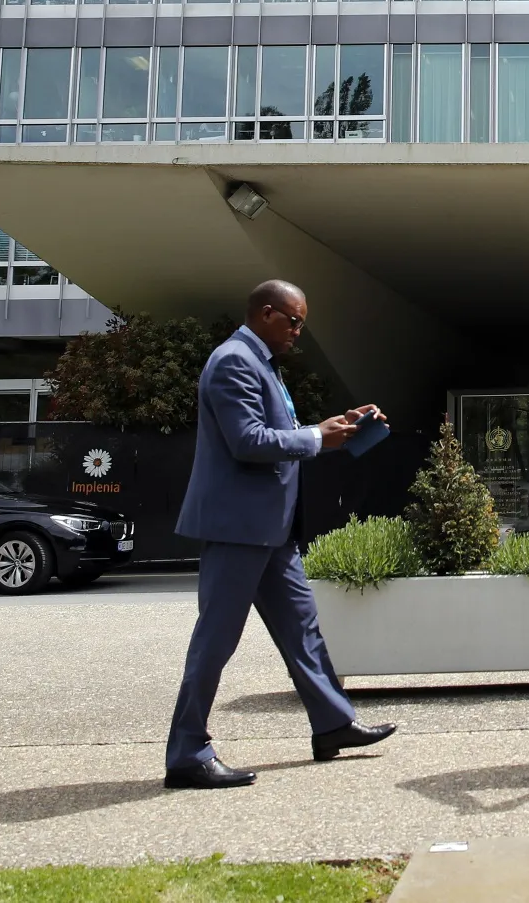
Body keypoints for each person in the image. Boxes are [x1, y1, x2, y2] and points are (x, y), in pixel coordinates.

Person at [163, 279, 397, 790]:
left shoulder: (261, 363)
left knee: (302, 628)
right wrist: (316, 436)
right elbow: (247, 441)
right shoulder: (233, 361)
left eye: (301, 324)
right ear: (266, 313)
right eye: (293, 321)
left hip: (271, 529)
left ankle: (332, 724)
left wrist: (336, 430)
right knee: (216, 641)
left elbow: (277, 433)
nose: (298, 332)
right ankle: (186, 754)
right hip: (238, 528)